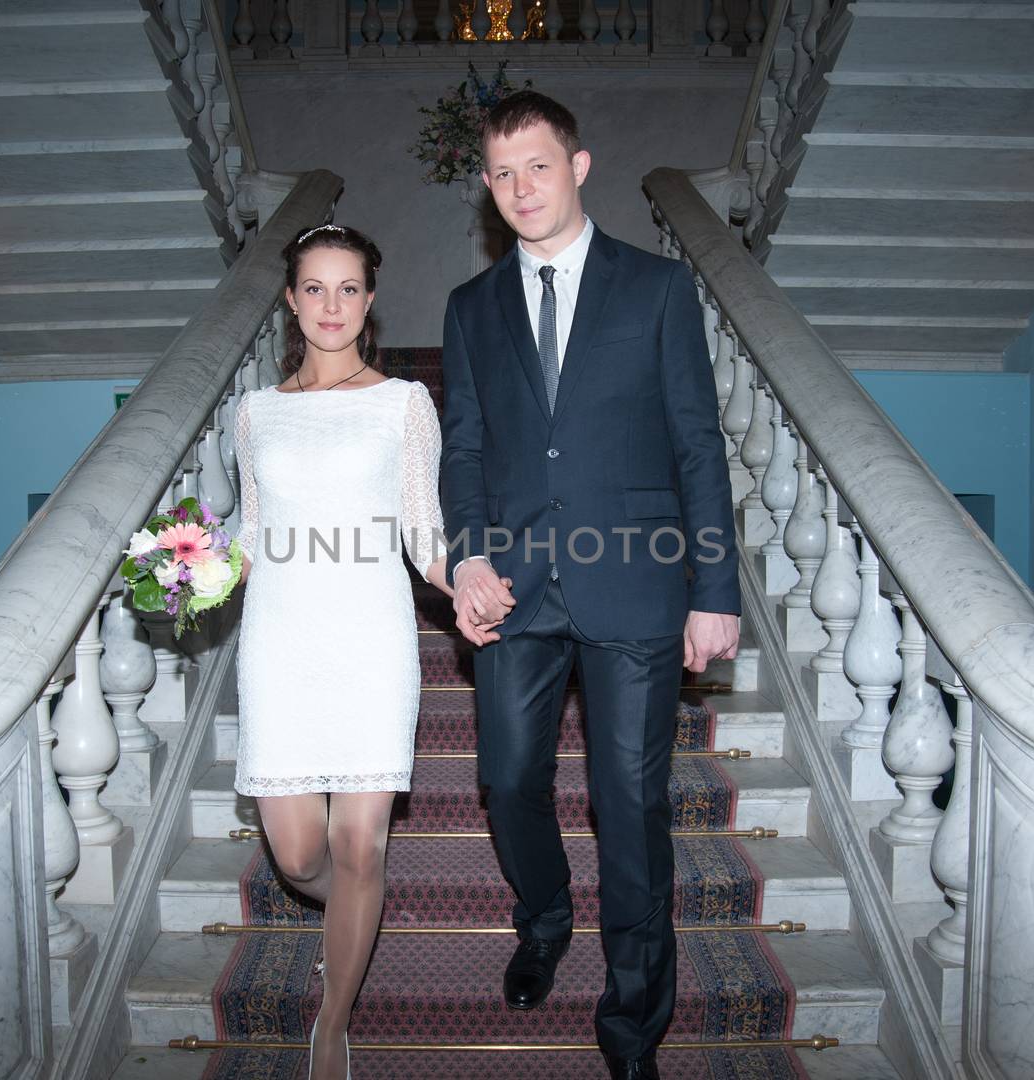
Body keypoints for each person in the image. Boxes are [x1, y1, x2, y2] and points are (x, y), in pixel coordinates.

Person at [439, 92, 742, 1080]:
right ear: (486, 187)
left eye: (536, 165)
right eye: (501, 173)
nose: (520, 188)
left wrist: (715, 589)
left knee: (630, 803)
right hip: (514, 588)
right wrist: (467, 554)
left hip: (637, 588)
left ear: (577, 166)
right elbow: (466, 447)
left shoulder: (655, 288)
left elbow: (697, 442)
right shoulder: (471, 307)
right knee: (509, 780)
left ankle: (631, 1023)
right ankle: (542, 920)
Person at [231, 225, 472, 1080]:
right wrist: (186, 569)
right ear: (291, 301)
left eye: (348, 289)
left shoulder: (404, 402)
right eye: (314, 288)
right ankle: (357, 913)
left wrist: (463, 584)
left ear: (369, 302)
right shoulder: (251, 411)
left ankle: (332, 1024)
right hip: (280, 640)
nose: (331, 305)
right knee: (302, 858)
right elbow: (251, 535)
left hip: (370, 636)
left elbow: (422, 530)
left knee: (360, 846)